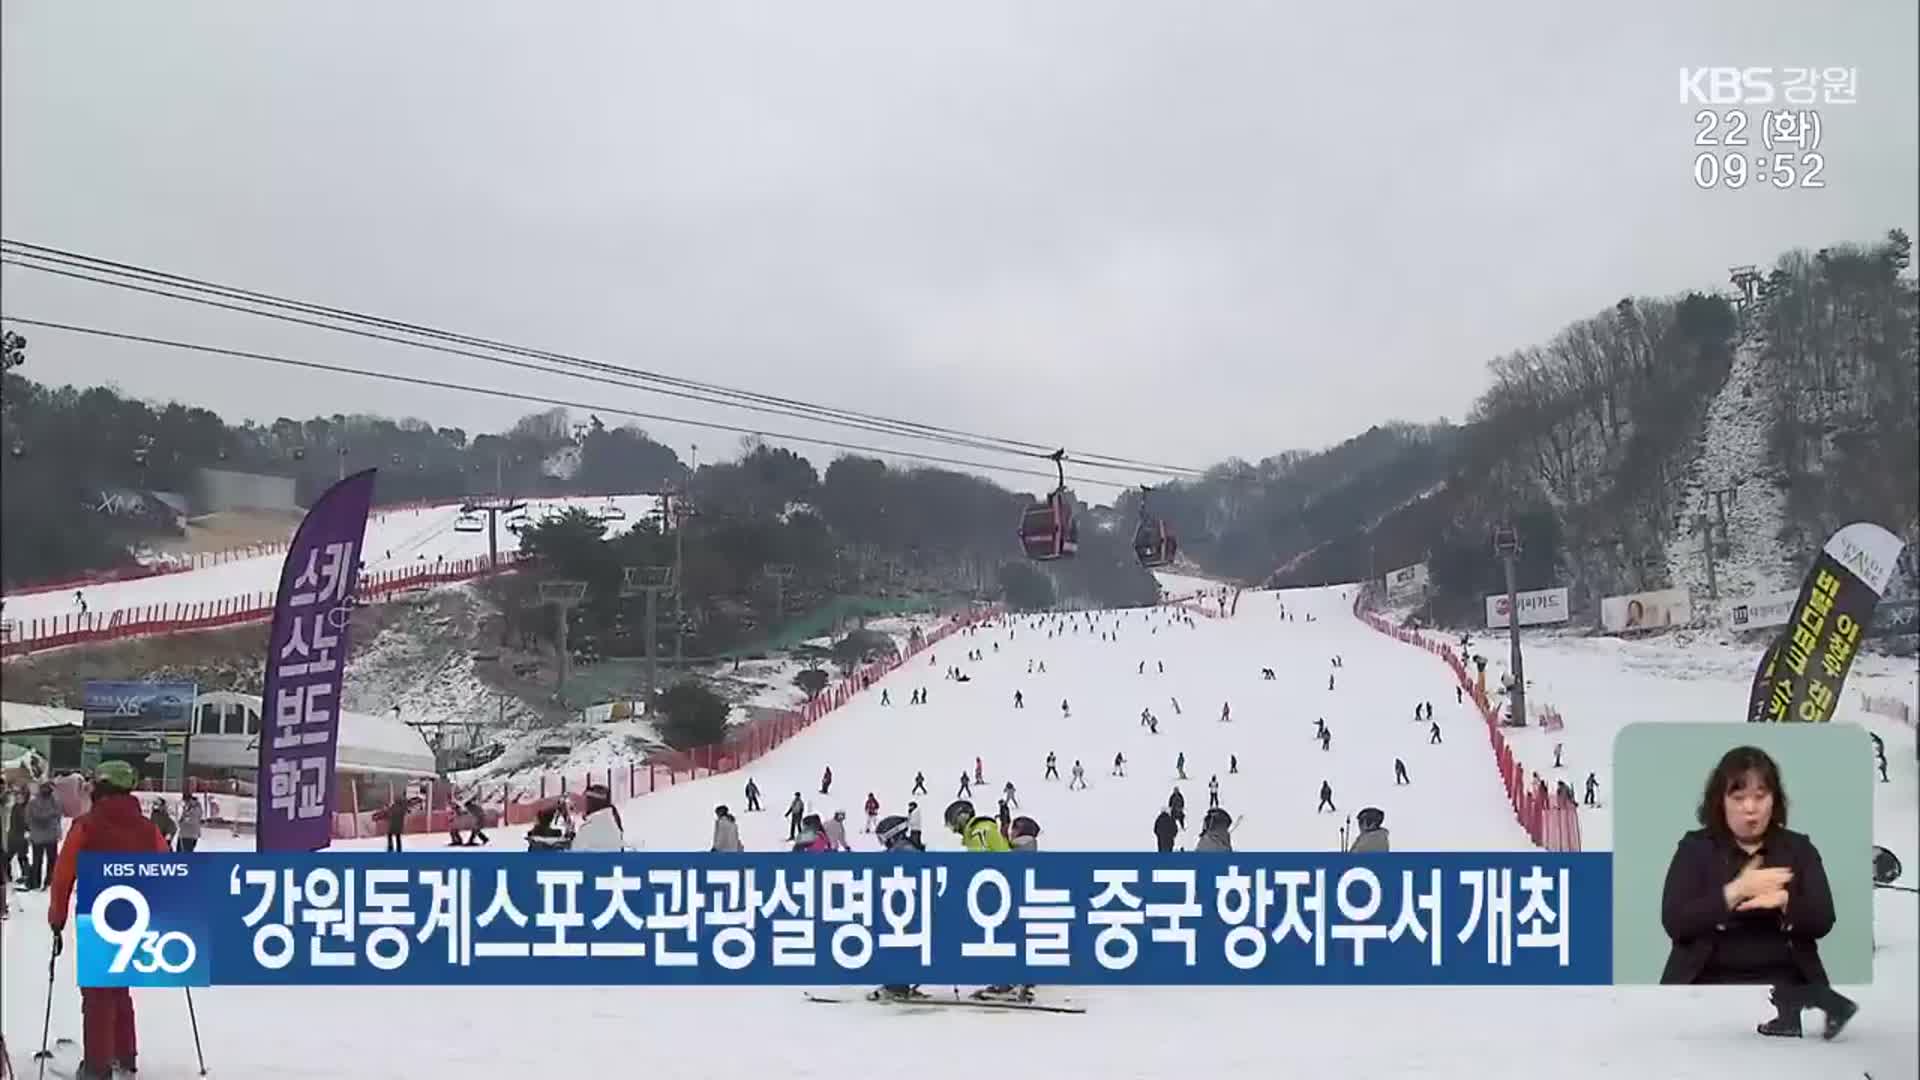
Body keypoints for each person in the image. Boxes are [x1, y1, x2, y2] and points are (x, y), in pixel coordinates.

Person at [1658, 745, 1857, 1039]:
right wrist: (1736, 891)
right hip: (1705, 982)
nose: (1750, 808)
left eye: (1760, 797)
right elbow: (1674, 921)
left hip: (1785, 981)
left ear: (1774, 801)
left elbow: (1824, 920)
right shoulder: (1694, 849)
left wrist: (1786, 902)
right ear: (1720, 802)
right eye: (1738, 798)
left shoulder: (1799, 849)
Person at [48, 761, 168, 1080]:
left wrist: (57, 917)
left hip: (96, 917)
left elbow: (63, 877)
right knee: (120, 988)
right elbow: (166, 869)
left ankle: (98, 1066)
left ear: (101, 788)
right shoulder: (148, 829)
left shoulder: (86, 826)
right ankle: (125, 1056)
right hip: (135, 917)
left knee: (98, 993)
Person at [24, 782, 63, 891]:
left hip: (38, 836)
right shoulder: (55, 802)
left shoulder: (32, 803)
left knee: (37, 860)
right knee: (52, 860)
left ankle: (36, 882)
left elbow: (27, 818)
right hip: (50, 836)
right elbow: (58, 815)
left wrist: (32, 827)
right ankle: (49, 881)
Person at [572, 784, 627, 852]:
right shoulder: (609, 821)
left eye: (584, 800)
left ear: (592, 803)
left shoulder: (593, 827)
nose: (581, 805)